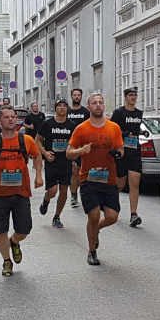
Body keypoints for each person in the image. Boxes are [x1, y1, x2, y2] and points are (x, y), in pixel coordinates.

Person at [0, 106, 44, 276]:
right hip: (0, 193)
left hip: (21, 193)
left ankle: (14, 242)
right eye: (6, 117)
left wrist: (38, 174)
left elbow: (37, 155)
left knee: (24, 230)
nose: (11, 120)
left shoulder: (26, 140)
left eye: (13, 117)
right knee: (1, 230)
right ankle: (7, 261)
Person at [66, 93, 124, 266]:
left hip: (109, 179)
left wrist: (118, 154)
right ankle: (92, 251)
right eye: (94, 103)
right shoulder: (81, 128)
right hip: (88, 178)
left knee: (112, 216)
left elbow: (121, 149)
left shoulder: (114, 127)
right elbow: (69, 152)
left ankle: (96, 229)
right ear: (89, 107)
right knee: (94, 215)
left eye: (100, 102)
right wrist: (80, 151)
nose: (98, 105)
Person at [35, 97, 74, 228]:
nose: (62, 107)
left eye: (64, 105)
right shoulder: (48, 124)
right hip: (52, 162)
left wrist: (74, 156)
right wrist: (45, 152)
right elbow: (38, 140)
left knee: (64, 190)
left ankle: (57, 216)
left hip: (66, 162)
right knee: (52, 191)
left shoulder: (72, 125)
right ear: (55, 108)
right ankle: (46, 200)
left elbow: (76, 143)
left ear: (67, 108)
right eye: (59, 105)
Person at [111, 86, 144, 227]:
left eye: (135, 95)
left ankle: (133, 214)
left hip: (135, 150)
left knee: (134, 182)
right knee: (120, 183)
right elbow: (112, 130)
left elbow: (137, 128)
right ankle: (111, 202)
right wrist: (123, 134)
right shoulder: (119, 113)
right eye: (130, 95)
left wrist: (143, 132)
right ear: (125, 97)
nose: (133, 98)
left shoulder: (138, 113)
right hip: (122, 151)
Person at [65, 88, 89, 208]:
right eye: (74, 95)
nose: (76, 97)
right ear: (71, 97)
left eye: (78, 95)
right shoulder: (67, 112)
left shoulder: (86, 112)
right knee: (72, 171)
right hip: (70, 145)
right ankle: (73, 195)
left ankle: (79, 191)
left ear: (81, 97)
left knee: (79, 171)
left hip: (82, 146)